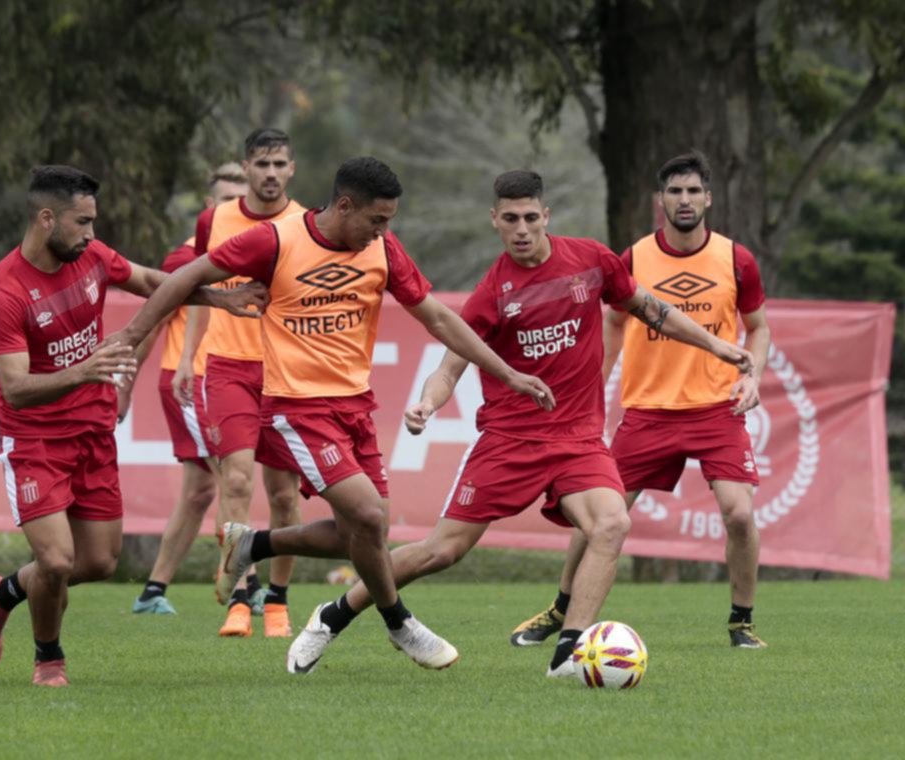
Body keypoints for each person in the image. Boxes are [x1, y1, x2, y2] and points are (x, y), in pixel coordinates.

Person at [282, 170, 754, 677]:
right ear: (495, 221)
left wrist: (716, 344)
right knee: (442, 552)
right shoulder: (492, 292)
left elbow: (649, 308)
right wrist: (427, 403)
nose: (522, 228)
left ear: (545, 215)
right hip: (509, 442)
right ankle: (333, 615)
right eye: (511, 219)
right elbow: (449, 367)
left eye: (531, 217)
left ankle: (569, 654)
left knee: (611, 523)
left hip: (578, 439)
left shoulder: (592, 260)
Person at [112, 156, 556, 673]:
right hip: (295, 410)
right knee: (367, 516)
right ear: (345, 206)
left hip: (356, 409)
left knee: (366, 534)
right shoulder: (275, 241)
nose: (383, 232)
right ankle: (398, 621)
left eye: (388, 221)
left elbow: (436, 316)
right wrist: (133, 336)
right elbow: (183, 276)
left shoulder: (383, 250)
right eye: (376, 220)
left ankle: (252, 544)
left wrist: (507, 373)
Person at [0, 165, 265, 687]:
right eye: (81, 222)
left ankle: (3, 594)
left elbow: (155, 282)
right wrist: (86, 369)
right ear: (46, 218)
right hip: (35, 440)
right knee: (58, 561)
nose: (90, 234)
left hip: (93, 432)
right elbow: (15, 386)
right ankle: (49, 660)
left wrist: (219, 298)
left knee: (100, 562)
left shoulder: (92, 257)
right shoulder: (5, 290)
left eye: (93, 222)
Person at [511, 150, 771, 651]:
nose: (685, 199)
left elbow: (758, 327)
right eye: (675, 191)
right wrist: (594, 383)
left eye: (694, 190)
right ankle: (559, 610)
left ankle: (742, 622)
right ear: (661, 201)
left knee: (738, 514)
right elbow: (612, 322)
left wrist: (752, 375)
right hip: (648, 412)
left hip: (717, 408)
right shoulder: (633, 257)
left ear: (709, 198)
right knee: (599, 516)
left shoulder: (737, 259)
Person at [176, 129, 306, 639]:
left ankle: (277, 600)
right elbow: (198, 288)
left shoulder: (306, 223)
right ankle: (240, 596)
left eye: (279, 163)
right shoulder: (215, 220)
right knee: (234, 481)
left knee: (284, 495)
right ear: (245, 168)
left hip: (285, 371)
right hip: (227, 365)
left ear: (291, 169)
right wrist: (187, 356)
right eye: (261, 163)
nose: (270, 173)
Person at [126, 162, 249, 616]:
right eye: (227, 200)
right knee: (230, 478)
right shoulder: (187, 260)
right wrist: (126, 384)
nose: (237, 208)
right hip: (192, 382)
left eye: (243, 199)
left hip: (227, 379)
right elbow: (153, 321)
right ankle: (248, 586)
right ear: (208, 206)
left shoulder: (257, 251)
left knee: (200, 490)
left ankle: (153, 590)